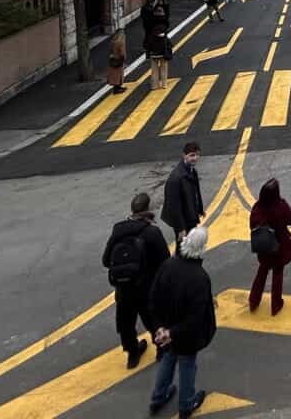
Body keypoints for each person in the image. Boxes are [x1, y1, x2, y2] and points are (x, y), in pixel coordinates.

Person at [148, 226, 215, 418]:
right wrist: (173, 333)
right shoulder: (200, 278)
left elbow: (153, 298)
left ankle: (158, 398)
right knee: (187, 364)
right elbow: (195, 319)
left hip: (167, 328)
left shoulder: (168, 265)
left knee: (167, 359)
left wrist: (160, 329)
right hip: (185, 336)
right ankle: (186, 404)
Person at [103, 192, 170, 368]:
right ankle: (161, 349)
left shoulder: (117, 231)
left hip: (124, 289)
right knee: (153, 319)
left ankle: (132, 354)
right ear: (147, 210)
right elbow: (165, 260)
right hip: (147, 288)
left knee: (125, 323)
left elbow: (105, 260)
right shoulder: (152, 232)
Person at [248, 179, 291, 316]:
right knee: (277, 275)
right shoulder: (280, 206)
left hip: (264, 247)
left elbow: (252, 225)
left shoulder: (257, 207)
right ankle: (276, 305)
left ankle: (254, 301)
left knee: (261, 274)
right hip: (279, 247)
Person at [161, 142, 204, 248]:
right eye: (192, 155)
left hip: (190, 216)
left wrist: (199, 209)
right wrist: (181, 228)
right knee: (183, 248)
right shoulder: (176, 178)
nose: (195, 158)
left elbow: (195, 193)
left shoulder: (191, 171)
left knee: (190, 246)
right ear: (184, 155)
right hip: (184, 221)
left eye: (197, 155)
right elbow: (173, 205)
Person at [144, 8, 171, 90]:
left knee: (154, 70)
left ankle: (154, 85)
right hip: (163, 50)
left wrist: (148, 52)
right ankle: (164, 84)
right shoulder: (165, 24)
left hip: (153, 50)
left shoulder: (150, 25)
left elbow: (148, 39)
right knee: (164, 68)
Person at [107, 30, 127, 94]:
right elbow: (122, 52)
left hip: (113, 60)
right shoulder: (120, 42)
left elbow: (110, 51)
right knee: (119, 75)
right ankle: (117, 89)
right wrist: (124, 58)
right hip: (119, 60)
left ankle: (117, 88)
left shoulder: (113, 41)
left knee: (114, 75)